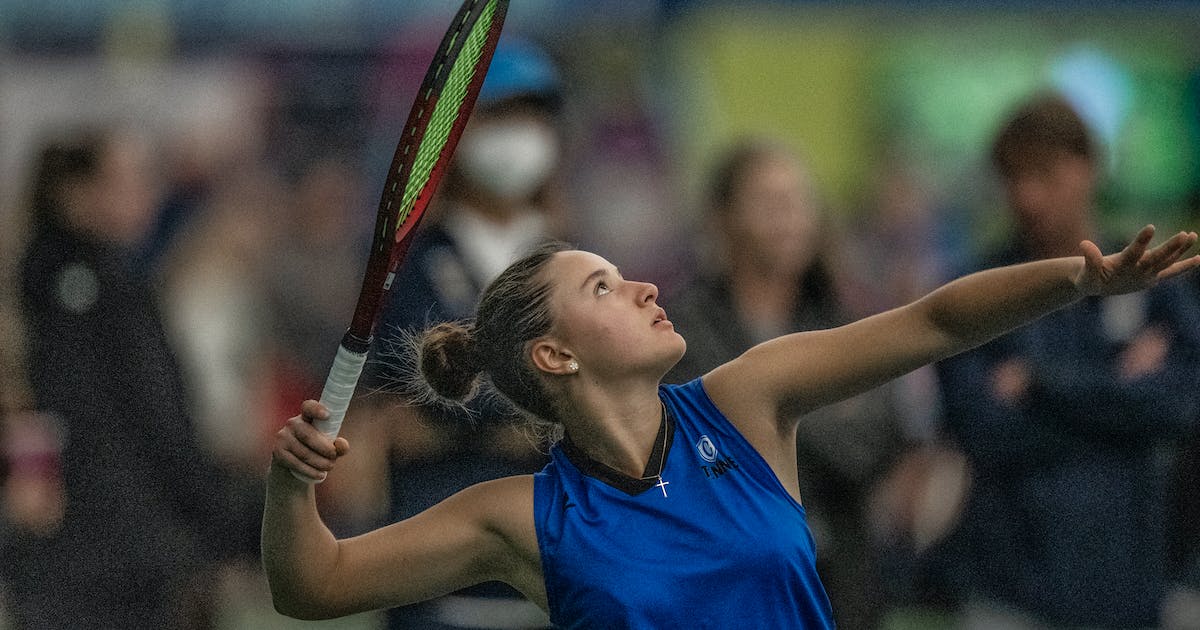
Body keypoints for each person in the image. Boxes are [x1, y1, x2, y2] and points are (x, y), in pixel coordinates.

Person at [264, 217, 1198, 626]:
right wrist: (290, 485)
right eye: (603, 286)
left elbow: (934, 322)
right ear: (555, 355)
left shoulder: (747, 404)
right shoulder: (517, 518)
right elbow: (318, 584)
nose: (644, 285)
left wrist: (1080, 280)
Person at [934, 93, 1200, 628]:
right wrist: (1117, 391)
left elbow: (1180, 407)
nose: (1027, 196)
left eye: (1044, 174)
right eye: (1013, 178)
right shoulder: (976, 288)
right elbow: (983, 431)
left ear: (1088, 167)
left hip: (1131, 584)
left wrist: (1039, 385)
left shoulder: (1150, 276)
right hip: (1008, 587)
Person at [331, 36, 567, 629]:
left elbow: (600, 395)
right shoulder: (404, 263)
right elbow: (397, 389)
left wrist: (449, 419)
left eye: (530, 116)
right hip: (432, 569)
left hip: (555, 566)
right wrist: (529, 415)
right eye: (498, 116)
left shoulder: (580, 266)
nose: (518, 134)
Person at [13, 126, 252, 628]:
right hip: (114, 560)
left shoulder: (47, 284)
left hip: (82, 555)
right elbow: (153, 420)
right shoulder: (94, 294)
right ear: (76, 192)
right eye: (131, 178)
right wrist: (219, 524)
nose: (147, 193)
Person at [663, 139, 899, 628]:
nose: (791, 217)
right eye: (770, 203)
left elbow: (871, 444)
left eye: (800, 201)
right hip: (725, 587)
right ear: (723, 218)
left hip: (840, 584)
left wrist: (760, 411)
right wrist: (809, 409)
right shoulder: (681, 330)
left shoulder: (845, 326)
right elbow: (698, 455)